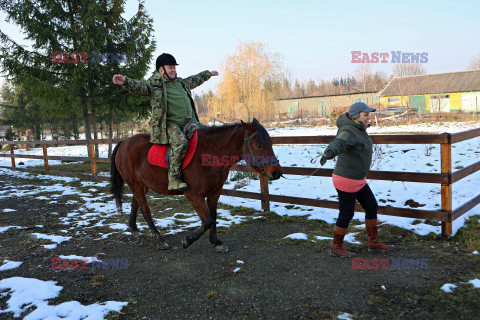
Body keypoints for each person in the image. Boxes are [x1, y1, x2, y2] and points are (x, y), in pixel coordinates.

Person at [112, 53, 218, 191]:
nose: (173, 70)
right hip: (169, 125)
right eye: (170, 67)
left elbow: (194, 79)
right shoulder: (154, 85)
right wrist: (125, 81)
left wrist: (207, 74)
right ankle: (173, 179)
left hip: (190, 123)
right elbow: (139, 86)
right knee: (181, 142)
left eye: (174, 67)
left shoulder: (181, 83)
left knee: (212, 135)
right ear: (161, 70)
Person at [320, 102, 394, 257]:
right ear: (355, 116)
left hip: (357, 179)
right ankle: (337, 246)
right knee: (347, 213)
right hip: (346, 179)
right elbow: (339, 142)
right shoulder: (348, 130)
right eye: (365, 115)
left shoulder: (359, 129)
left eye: (369, 115)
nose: (368, 118)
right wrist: (329, 153)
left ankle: (373, 242)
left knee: (371, 205)